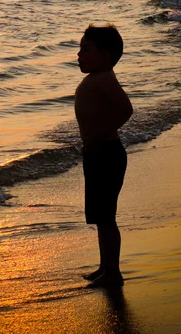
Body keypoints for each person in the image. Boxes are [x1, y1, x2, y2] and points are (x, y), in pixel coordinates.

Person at [75, 24, 133, 288]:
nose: (79, 54)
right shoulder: (96, 78)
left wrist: (99, 135)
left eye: (86, 49)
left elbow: (124, 109)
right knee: (100, 216)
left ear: (105, 56)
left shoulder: (105, 78)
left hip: (107, 154)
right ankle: (105, 266)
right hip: (97, 153)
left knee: (106, 217)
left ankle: (113, 273)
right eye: (80, 49)